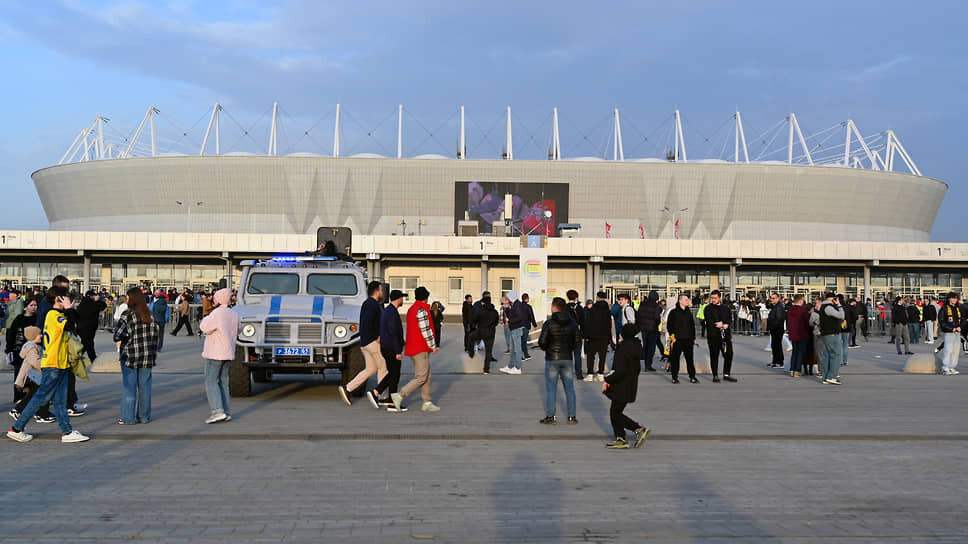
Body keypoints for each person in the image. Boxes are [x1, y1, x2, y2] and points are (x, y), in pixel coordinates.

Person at [7, 286, 89, 443]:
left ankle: (67, 432)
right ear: (58, 299)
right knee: (41, 397)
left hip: (61, 363)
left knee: (59, 401)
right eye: (65, 296)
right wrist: (68, 309)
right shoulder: (52, 314)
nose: (68, 299)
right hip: (53, 364)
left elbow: (76, 322)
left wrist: (70, 309)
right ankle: (17, 429)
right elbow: (69, 325)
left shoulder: (60, 314)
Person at [114, 288, 160, 425]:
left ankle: (128, 418)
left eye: (128, 297)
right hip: (147, 356)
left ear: (132, 299)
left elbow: (117, 335)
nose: (126, 300)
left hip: (130, 356)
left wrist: (127, 337)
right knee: (145, 388)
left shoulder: (127, 315)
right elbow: (156, 337)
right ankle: (144, 417)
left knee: (130, 388)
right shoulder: (150, 315)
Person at [391, 286, 440, 412]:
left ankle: (427, 401)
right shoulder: (422, 310)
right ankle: (400, 395)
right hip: (420, 348)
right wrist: (433, 346)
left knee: (426, 375)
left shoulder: (412, 309)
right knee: (421, 377)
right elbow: (426, 331)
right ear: (426, 297)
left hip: (414, 347)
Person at [603, 323, 651, 449]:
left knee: (615, 413)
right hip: (630, 384)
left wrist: (608, 379)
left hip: (621, 385)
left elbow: (619, 370)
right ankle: (620, 438)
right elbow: (636, 369)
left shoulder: (623, 348)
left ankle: (638, 429)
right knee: (615, 411)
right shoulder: (635, 346)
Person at [339, 281, 387, 407]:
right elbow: (367, 322)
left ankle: (348, 388)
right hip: (373, 343)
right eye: (381, 290)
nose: (382, 292)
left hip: (365, 343)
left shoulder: (367, 303)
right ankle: (381, 396)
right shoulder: (373, 305)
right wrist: (377, 336)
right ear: (376, 291)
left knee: (370, 369)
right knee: (383, 367)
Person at [199, 288, 239, 423]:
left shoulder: (216, 313)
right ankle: (226, 411)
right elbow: (239, 329)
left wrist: (207, 317)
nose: (213, 300)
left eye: (215, 298)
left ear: (219, 300)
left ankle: (217, 411)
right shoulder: (234, 314)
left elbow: (204, 327)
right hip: (228, 352)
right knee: (223, 382)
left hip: (215, 352)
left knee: (211, 381)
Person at [538, 297, 580, 425]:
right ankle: (572, 417)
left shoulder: (549, 323)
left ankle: (551, 416)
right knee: (570, 388)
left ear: (555, 307)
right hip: (567, 358)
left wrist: (548, 349)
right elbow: (577, 341)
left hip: (552, 358)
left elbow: (542, 342)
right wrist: (569, 348)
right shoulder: (572, 323)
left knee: (551, 388)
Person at [371, 290, 407, 411]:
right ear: (398, 299)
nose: (403, 300)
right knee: (394, 375)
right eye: (402, 298)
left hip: (387, 347)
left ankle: (388, 399)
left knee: (393, 374)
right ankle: (378, 393)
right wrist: (398, 351)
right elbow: (393, 333)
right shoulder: (392, 313)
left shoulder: (387, 310)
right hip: (391, 348)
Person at [11, 326, 53, 423]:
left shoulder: (34, 346)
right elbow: (36, 362)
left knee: (33, 396)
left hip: (34, 376)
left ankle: (20, 411)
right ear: (33, 336)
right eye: (39, 334)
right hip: (32, 377)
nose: (41, 336)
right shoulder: (31, 349)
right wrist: (47, 366)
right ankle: (41, 415)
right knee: (41, 394)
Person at [6, 297, 38, 405]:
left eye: (35, 305)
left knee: (33, 375)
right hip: (19, 351)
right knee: (19, 375)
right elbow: (11, 334)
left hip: (33, 350)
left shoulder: (38, 319)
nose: (34, 307)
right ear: (26, 307)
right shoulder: (19, 319)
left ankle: (29, 396)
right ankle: (18, 397)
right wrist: (9, 349)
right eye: (31, 305)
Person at [704, 290, 737, 383]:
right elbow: (709, 321)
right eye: (712, 298)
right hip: (713, 336)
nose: (713, 300)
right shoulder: (708, 308)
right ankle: (715, 375)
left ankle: (726, 374)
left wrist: (725, 324)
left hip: (725, 337)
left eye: (715, 298)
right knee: (714, 355)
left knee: (728, 354)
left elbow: (729, 319)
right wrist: (721, 324)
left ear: (719, 298)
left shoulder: (725, 308)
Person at [667, 294, 698, 384]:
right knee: (675, 359)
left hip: (688, 339)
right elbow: (669, 326)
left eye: (688, 299)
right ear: (680, 301)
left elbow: (692, 326)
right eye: (685, 300)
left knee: (690, 359)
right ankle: (674, 377)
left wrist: (693, 338)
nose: (687, 301)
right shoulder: (673, 312)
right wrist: (672, 337)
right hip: (677, 340)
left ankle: (692, 376)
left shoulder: (689, 312)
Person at [584, 291, 613, 381]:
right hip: (604, 337)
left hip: (592, 336)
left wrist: (586, 336)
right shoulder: (607, 310)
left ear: (597, 298)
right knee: (602, 356)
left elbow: (588, 323)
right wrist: (609, 338)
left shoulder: (592, 309)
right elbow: (609, 325)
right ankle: (600, 374)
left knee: (590, 356)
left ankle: (590, 374)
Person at [818, 292, 845, 385]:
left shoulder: (823, 306)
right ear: (833, 299)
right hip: (832, 333)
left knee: (827, 355)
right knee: (836, 354)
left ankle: (826, 377)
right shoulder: (829, 307)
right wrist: (839, 305)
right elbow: (841, 315)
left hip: (826, 333)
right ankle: (832, 377)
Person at [469, 293, 498, 374]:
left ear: (484, 303)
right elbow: (496, 323)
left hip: (481, 331)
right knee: (488, 351)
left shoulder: (481, 311)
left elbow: (474, 320)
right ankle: (486, 370)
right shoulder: (495, 312)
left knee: (471, 337)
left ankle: (471, 353)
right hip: (491, 333)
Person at [500, 291, 526, 375]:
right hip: (513, 329)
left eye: (508, 298)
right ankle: (510, 366)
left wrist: (510, 321)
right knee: (513, 349)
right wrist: (507, 308)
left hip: (517, 329)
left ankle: (518, 368)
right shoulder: (514, 304)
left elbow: (519, 317)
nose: (507, 299)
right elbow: (510, 315)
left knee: (517, 349)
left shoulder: (518, 305)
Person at [75, 290, 106, 361]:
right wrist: (98, 300)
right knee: (86, 344)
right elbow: (103, 306)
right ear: (91, 296)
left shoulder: (82, 303)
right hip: (89, 328)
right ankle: (76, 357)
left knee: (89, 343)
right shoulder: (92, 303)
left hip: (81, 327)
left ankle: (93, 358)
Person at [786, 294, 811, 377]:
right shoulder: (803, 311)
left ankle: (792, 369)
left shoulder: (790, 310)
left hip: (793, 334)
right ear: (800, 301)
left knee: (794, 352)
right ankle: (797, 370)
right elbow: (807, 323)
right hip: (802, 334)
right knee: (800, 352)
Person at [636, 290, 660, 372]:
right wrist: (657, 324)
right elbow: (657, 318)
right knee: (651, 347)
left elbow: (638, 316)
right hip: (653, 329)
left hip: (643, 328)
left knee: (645, 346)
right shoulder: (656, 306)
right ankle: (648, 365)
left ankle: (646, 364)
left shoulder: (642, 304)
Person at [939, 292, 962, 375]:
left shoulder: (957, 308)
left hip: (957, 332)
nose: (955, 300)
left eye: (956, 298)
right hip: (949, 332)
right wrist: (951, 329)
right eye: (953, 298)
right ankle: (945, 366)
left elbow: (961, 319)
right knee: (948, 350)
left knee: (956, 350)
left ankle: (952, 366)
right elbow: (942, 321)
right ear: (949, 298)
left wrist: (960, 327)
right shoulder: (944, 308)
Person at [565, 290, 586, 380]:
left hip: (566, 334)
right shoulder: (579, 308)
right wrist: (583, 335)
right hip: (577, 333)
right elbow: (583, 323)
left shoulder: (564, 308)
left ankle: (566, 374)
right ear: (576, 298)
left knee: (567, 355)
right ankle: (579, 374)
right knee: (577, 355)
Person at [766, 293, 786, 367]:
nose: (772, 300)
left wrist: (773, 326)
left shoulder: (779, 307)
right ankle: (775, 361)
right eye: (771, 298)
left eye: (773, 298)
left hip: (777, 329)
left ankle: (779, 362)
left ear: (778, 299)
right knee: (774, 345)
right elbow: (767, 306)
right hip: (774, 328)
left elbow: (779, 319)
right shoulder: (775, 306)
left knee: (777, 345)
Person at [520, 293, 537, 361]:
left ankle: (522, 355)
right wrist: (534, 325)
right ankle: (525, 355)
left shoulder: (518, 306)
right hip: (525, 326)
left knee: (520, 341)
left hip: (518, 326)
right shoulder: (528, 307)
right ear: (526, 299)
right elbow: (531, 316)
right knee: (524, 341)